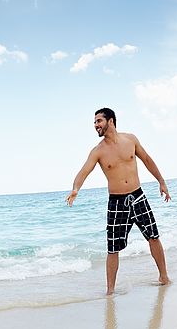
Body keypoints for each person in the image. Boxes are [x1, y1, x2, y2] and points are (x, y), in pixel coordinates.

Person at [65, 107, 170, 295]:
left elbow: (147, 159)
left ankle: (164, 277)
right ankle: (110, 291)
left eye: (99, 121)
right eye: (95, 122)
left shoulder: (130, 139)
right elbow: (83, 172)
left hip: (138, 196)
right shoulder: (97, 151)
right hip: (116, 203)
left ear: (110, 121)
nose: (96, 125)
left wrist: (161, 181)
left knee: (153, 237)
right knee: (113, 247)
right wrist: (75, 189)